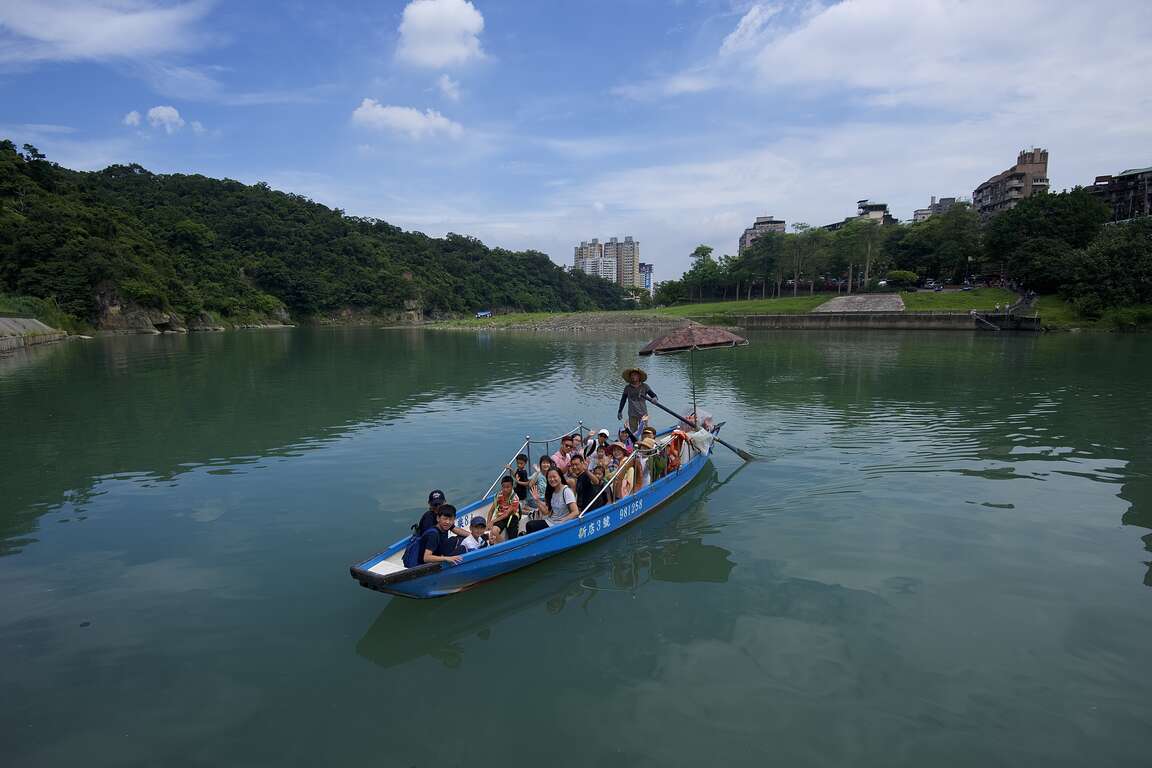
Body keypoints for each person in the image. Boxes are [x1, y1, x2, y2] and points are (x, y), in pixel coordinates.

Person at [525, 467, 579, 533]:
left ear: (560, 477)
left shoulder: (566, 491)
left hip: (560, 525)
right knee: (530, 525)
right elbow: (546, 512)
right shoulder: (552, 492)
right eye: (550, 477)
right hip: (551, 522)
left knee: (530, 526)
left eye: (554, 477)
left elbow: (575, 512)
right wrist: (537, 500)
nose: (552, 479)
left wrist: (562, 521)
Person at [618, 367, 657, 433]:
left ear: (639, 376)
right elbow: (623, 400)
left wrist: (654, 399)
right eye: (632, 375)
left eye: (635, 375)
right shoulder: (627, 388)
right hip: (632, 413)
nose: (633, 377)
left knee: (645, 431)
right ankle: (634, 443)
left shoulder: (645, 386)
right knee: (633, 431)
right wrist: (620, 411)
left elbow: (654, 395)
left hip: (643, 414)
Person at [486, 475, 522, 543]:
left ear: (512, 487)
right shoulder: (498, 495)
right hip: (501, 517)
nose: (505, 489)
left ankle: (511, 544)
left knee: (513, 540)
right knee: (494, 531)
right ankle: (503, 544)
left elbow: (506, 514)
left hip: (512, 517)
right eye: (503, 487)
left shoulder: (515, 498)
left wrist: (492, 521)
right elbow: (491, 511)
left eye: (508, 487)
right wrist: (488, 523)